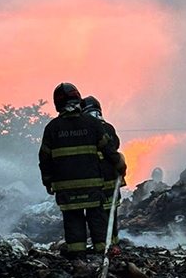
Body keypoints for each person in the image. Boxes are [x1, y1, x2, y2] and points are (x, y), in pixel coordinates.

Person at [39, 83, 126, 256]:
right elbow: (109, 149)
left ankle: (78, 259)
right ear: (78, 99)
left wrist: (47, 180)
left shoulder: (52, 128)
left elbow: (44, 158)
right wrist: (120, 165)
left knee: (73, 224)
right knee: (98, 221)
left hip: (66, 191)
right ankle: (103, 257)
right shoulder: (92, 124)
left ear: (57, 104)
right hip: (92, 188)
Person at [81, 95, 127, 244]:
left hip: (95, 182)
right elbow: (116, 146)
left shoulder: (86, 129)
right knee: (111, 215)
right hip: (111, 181)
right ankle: (113, 244)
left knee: (96, 216)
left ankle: (101, 245)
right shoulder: (108, 127)